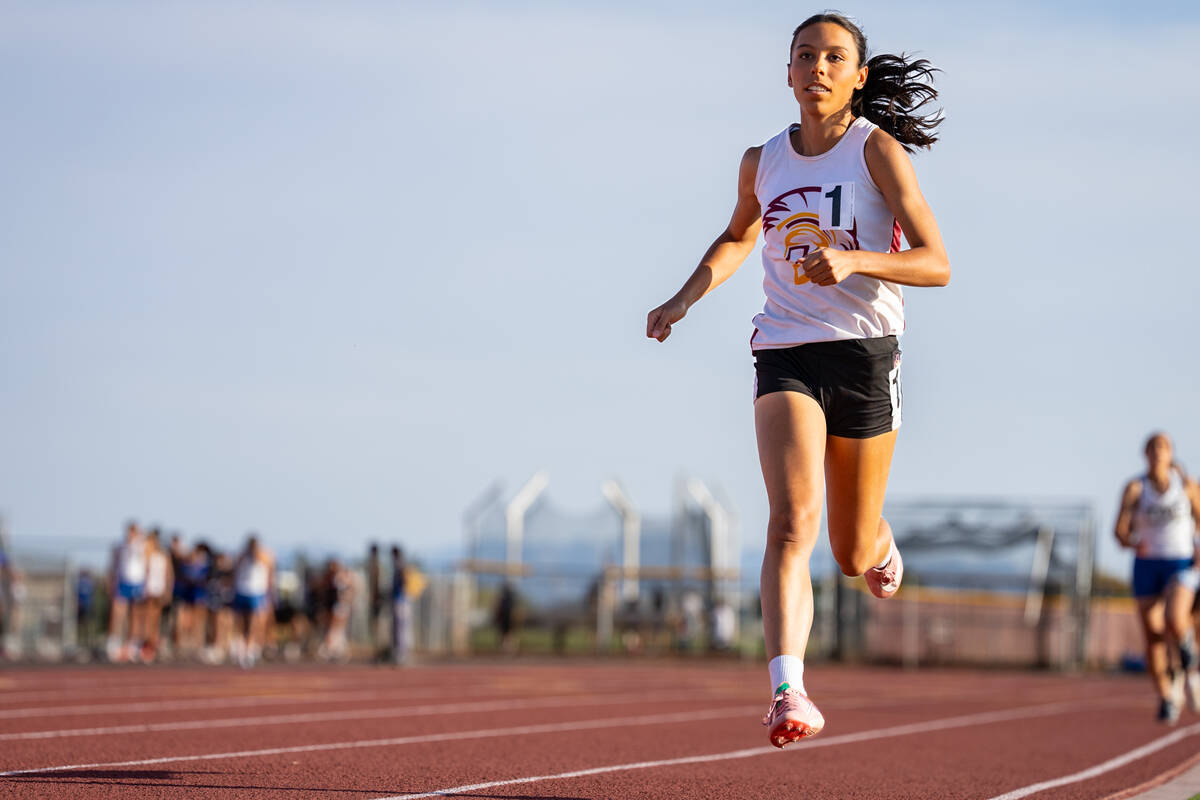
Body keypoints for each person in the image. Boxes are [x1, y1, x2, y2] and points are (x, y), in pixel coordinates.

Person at [646, 12, 948, 747]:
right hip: (785, 348)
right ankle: (789, 692)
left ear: (858, 77)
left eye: (834, 57)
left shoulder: (876, 152)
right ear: (787, 73)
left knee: (849, 551)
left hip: (865, 354)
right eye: (805, 55)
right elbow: (738, 236)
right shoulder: (763, 161)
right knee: (790, 520)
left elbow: (936, 263)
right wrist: (683, 299)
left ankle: (879, 541)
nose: (818, 67)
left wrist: (856, 260)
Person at [1115, 432, 1200, 724]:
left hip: (1181, 562)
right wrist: (1131, 541)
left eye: (1163, 447)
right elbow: (1120, 530)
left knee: (1175, 618)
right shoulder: (1135, 488)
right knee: (1153, 636)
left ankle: (1187, 647)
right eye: (1152, 448)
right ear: (1145, 454)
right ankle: (1166, 697)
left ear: (1171, 453)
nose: (1157, 452)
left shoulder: (1187, 486)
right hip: (1147, 564)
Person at [231, 533, 275, 668]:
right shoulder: (241, 555)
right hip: (242, 590)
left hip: (257, 592)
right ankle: (241, 647)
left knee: (254, 621)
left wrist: (269, 593)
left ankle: (250, 648)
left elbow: (270, 571)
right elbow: (235, 571)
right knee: (241, 621)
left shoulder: (264, 555)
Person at [107, 520, 148, 662]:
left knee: (135, 615)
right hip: (122, 582)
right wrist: (111, 581)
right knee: (117, 612)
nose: (131, 534)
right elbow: (113, 564)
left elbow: (148, 562)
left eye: (133, 531)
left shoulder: (143, 545)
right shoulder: (120, 546)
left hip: (137, 582)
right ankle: (114, 643)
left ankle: (132, 645)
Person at [140, 528, 174, 662]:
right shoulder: (146, 554)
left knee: (155, 618)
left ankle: (153, 645)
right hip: (147, 589)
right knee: (146, 617)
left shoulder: (163, 555)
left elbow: (169, 574)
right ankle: (144, 644)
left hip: (159, 589)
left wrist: (168, 590)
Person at [390, 546, 410, 665]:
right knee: (399, 628)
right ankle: (400, 653)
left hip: (401, 600)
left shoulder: (400, 564)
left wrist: (401, 593)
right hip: (400, 599)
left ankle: (402, 653)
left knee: (400, 628)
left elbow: (404, 580)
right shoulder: (400, 564)